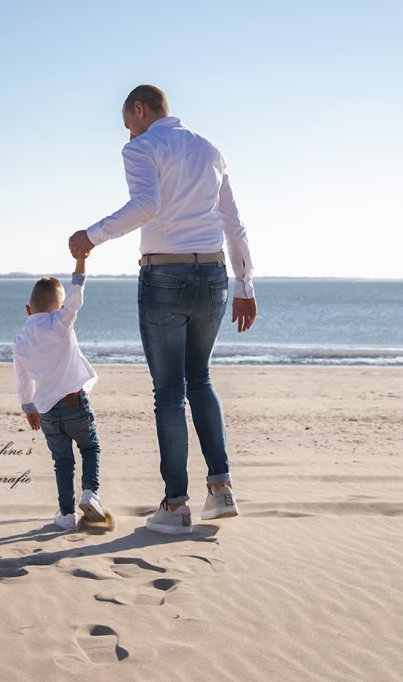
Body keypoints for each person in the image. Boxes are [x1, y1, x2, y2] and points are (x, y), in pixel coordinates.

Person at [68, 84, 257, 535]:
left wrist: (89, 237)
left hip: (164, 276)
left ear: (139, 110)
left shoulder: (142, 148)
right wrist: (246, 284)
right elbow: (233, 221)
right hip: (212, 276)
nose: (128, 132)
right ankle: (221, 489)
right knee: (202, 380)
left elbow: (146, 206)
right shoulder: (210, 149)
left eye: (128, 121)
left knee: (170, 391)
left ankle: (175, 505)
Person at [13, 256, 105, 530]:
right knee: (90, 447)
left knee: (62, 461)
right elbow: (76, 296)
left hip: (46, 411)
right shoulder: (61, 321)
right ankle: (90, 493)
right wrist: (80, 262)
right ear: (60, 307)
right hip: (74, 402)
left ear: (28, 309)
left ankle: (66, 515)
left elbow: (21, 376)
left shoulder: (20, 338)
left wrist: (28, 407)